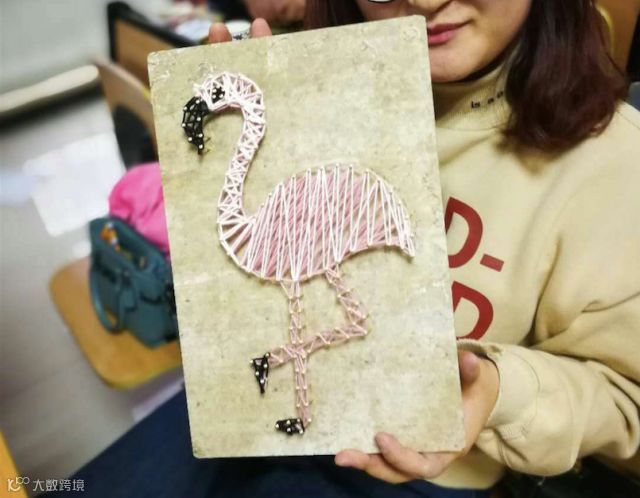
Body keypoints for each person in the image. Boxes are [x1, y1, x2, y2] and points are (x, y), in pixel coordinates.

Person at [208, 1, 640, 495]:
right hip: (263, 420)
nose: (426, 1)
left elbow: (623, 397)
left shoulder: (615, 165)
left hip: (431, 472)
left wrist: (498, 390)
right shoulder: (307, 93)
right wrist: (200, 178)